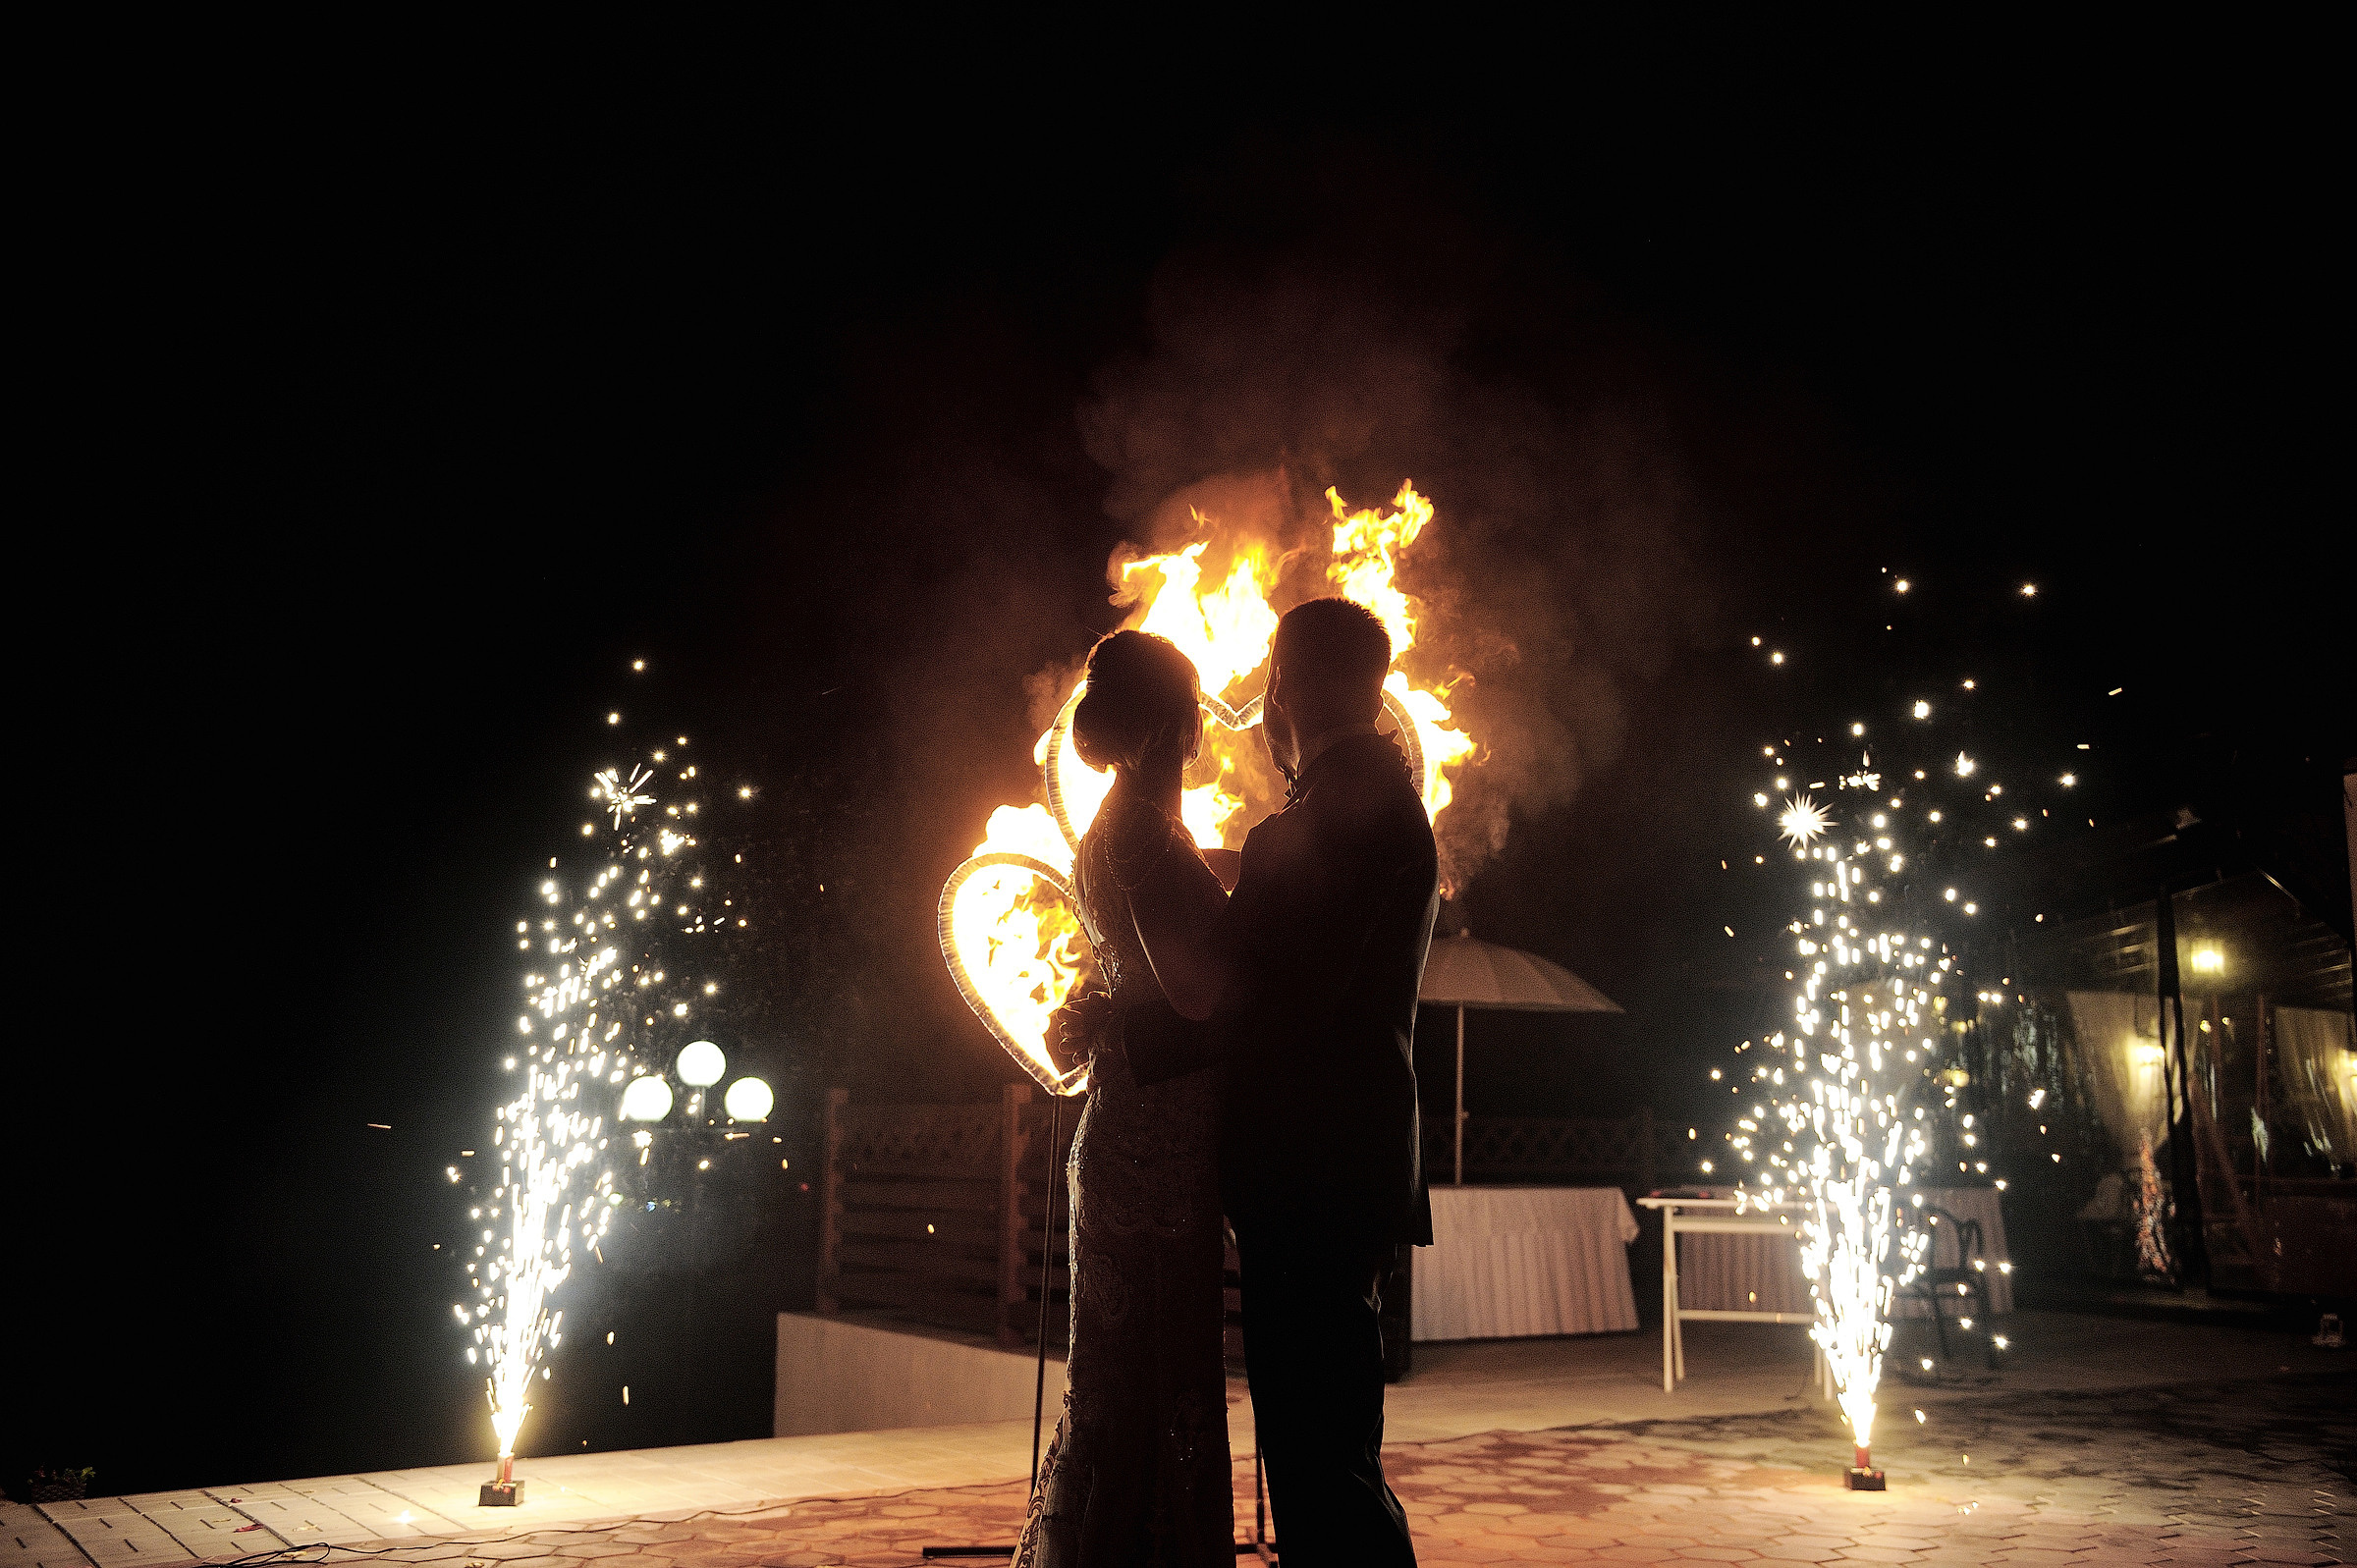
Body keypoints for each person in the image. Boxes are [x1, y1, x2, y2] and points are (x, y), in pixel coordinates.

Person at [1061, 596, 1440, 1566]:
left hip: (1311, 1175)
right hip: (1331, 1171)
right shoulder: (1370, 807)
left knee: (1321, 1457)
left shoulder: (1327, 823)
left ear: (1289, 688)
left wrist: (1118, 1020)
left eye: (1269, 681)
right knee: (1324, 1448)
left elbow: (1241, 999)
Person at [1013, 629, 1235, 1567]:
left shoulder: (1125, 827)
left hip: (1131, 1129)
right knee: (1158, 1376)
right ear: (1172, 727)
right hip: (1157, 1150)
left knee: (1121, 1380)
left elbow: (1147, 976)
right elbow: (1199, 995)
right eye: (1195, 717)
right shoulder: (1145, 835)